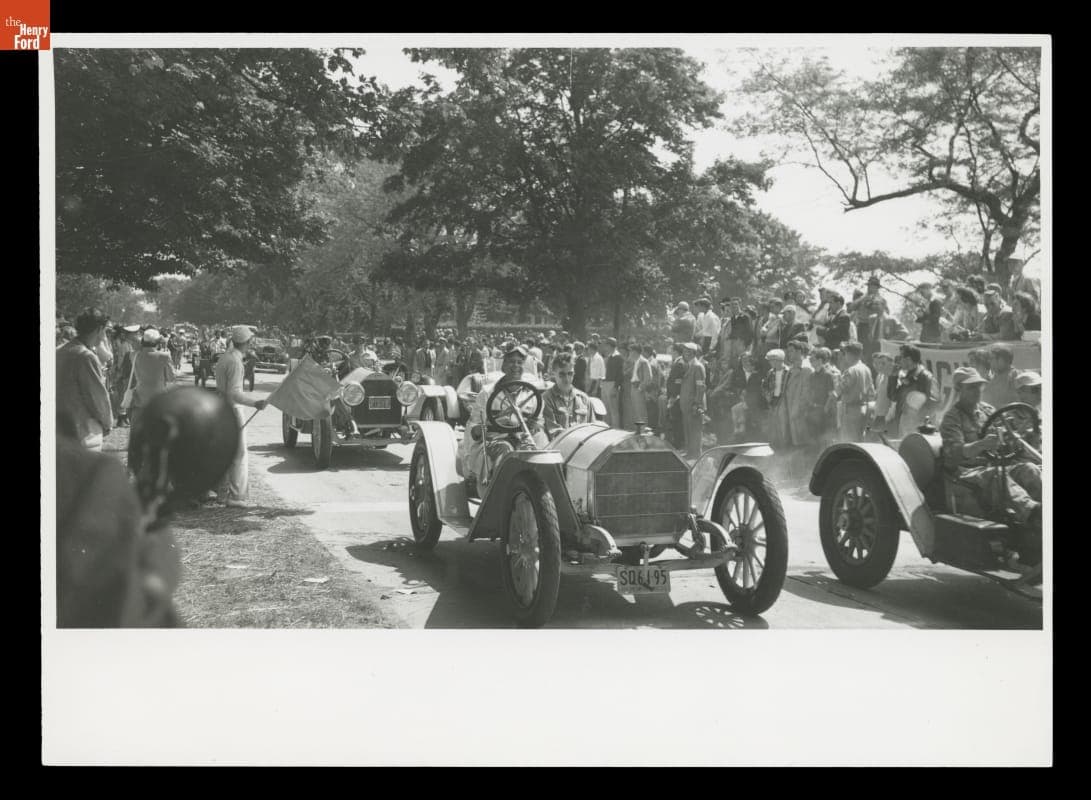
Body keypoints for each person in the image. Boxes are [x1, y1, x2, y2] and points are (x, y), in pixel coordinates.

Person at [940, 367, 1041, 532]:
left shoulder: (987, 411)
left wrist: (1012, 438)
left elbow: (1003, 439)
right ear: (959, 389)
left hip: (992, 465)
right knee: (996, 475)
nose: (977, 391)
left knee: (1029, 469)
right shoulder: (952, 418)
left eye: (979, 386)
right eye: (971, 387)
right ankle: (1033, 512)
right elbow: (954, 454)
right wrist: (982, 444)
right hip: (966, 472)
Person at [465, 346, 547, 488]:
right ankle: (499, 494)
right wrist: (488, 426)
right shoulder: (487, 393)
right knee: (505, 452)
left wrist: (535, 426)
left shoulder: (533, 396)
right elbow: (473, 428)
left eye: (519, 362)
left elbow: (539, 424)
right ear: (503, 365)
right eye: (511, 361)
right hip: (495, 441)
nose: (515, 366)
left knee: (533, 454)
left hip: (524, 440)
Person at [213, 326, 268, 507]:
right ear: (246, 342)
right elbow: (235, 393)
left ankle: (221, 493)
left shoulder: (225, 358)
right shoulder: (235, 362)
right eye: (250, 341)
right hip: (232, 409)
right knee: (239, 454)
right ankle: (236, 497)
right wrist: (255, 403)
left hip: (220, 407)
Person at [56, 308, 114, 452]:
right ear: (99, 329)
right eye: (105, 330)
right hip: (83, 432)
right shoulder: (86, 356)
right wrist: (107, 423)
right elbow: (97, 396)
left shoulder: (60, 350)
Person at [129, 328, 176, 433]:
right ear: (157, 342)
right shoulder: (165, 356)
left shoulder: (133, 355)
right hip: (159, 400)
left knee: (138, 434)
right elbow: (171, 377)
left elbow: (139, 348)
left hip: (139, 399)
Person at [889, 344, 937, 437]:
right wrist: (893, 377)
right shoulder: (908, 375)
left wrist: (915, 417)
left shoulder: (925, 376)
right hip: (904, 425)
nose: (898, 361)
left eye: (900, 357)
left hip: (917, 428)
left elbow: (933, 403)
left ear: (908, 359)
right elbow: (893, 397)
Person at [542, 353, 592, 439]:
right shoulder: (546, 399)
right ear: (553, 374)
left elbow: (592, 427)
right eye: (562, 374)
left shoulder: (584, 398)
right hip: (561, 448)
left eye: (570, 373)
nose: (567, 379)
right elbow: (554, 433)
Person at [838, 342, 875, 442]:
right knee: (860, 441)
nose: (844, 357)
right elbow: (872, 391)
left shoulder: (850, 371)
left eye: (845, 354)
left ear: (849, 354)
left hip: (851, 410)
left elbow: (840, 389)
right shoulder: (867, 369)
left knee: (848, 441)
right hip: (863, 408)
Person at [678, 342, 707, 460]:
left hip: (693, 405)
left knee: (695, 431)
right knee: (688, 429)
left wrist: (697, 404)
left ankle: (695, 454)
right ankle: (690, 452)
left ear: (693, 353)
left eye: (687, 351)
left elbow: (700, 387)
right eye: (684, 351)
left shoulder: (697, 366)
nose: (685, 353)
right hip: (686, 405)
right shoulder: (688, 365)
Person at [784, 339, 814, 449]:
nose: (789, 354)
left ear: (799, 351)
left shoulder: (806, 368)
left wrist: (798, 410)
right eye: (788, 351)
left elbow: (806, 393)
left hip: (800, 412)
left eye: (791, 351)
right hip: (791, 410)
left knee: (803, 443)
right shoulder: (792, 369)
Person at [807, 347, 839, 451]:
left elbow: (831, 395)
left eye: (813, 360)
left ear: (820, 360)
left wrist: (825, 409)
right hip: (813, 411)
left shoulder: (828, 375)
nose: (810, 362)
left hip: (824, 412)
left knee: (824, 440)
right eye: (810, 360)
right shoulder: (812, 376)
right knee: (813, 439)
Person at [762, 348, 790, 450]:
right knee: (773, 427)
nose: (770, 363)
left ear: (778, 360)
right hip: (773, 401)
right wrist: (767, 395)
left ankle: (785, 448)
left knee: (783, 427)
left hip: (784, 401)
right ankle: (775, 449)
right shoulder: (770, 372)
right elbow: (764, 386)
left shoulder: (788, 371)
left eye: (771, 360)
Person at [717, 296, 754, 374]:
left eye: (736, 304)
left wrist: (746, 345)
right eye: (732, 305)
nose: (734, 307)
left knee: (742, 361)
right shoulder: (733, 317)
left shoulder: (745, 316)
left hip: (742, 342)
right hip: (734, 342)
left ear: (739, 305)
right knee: (735, 361)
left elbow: (750, 332)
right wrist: (729, 337)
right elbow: (733, 331)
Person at [983, 344, 1021, 408]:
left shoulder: (1015, 377)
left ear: (1001, 360)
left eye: (991, 358)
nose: (989, 361)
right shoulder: (994, 376)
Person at [663, 342, 687, 448]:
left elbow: (677, 382)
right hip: (674, 396)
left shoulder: (679, 364)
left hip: (676, 397)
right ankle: (677, 441)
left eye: (671, 351)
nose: (670, 353)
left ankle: (678, 443)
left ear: (676, 352)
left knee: (676, 420)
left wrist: (673, 397)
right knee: (675, 420)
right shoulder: (677, 362)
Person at [628, 343, 653, 432]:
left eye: (631, 351)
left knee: (641, 411)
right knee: (635, 411)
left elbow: (648, 378)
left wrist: (640, 388)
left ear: (635, 352)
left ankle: (643, 431)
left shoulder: (644, 361)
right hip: (633, 387)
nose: (629, 353)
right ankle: (638, 431)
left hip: (638, 388)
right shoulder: (635, 361)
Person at [870, 351, 896, 435]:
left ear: (891, 363)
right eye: (878, 363)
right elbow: (878, 398)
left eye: (883, 363)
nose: (880, 366)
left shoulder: (893, 379)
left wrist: (888, 418)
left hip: (887, 417)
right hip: (878, 416)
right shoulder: (879, 377)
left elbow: (894, 401)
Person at [602, 337, 624, 429]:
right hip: (605, 383)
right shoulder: (609, 357)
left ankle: (615, 430)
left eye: (606, 345)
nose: (605, 347)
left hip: (612, 384)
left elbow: (620, 374)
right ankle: (606, 429)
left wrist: (615, 387)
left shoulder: (618, 357)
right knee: (605, 409)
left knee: (613, 410)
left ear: (611, 346)